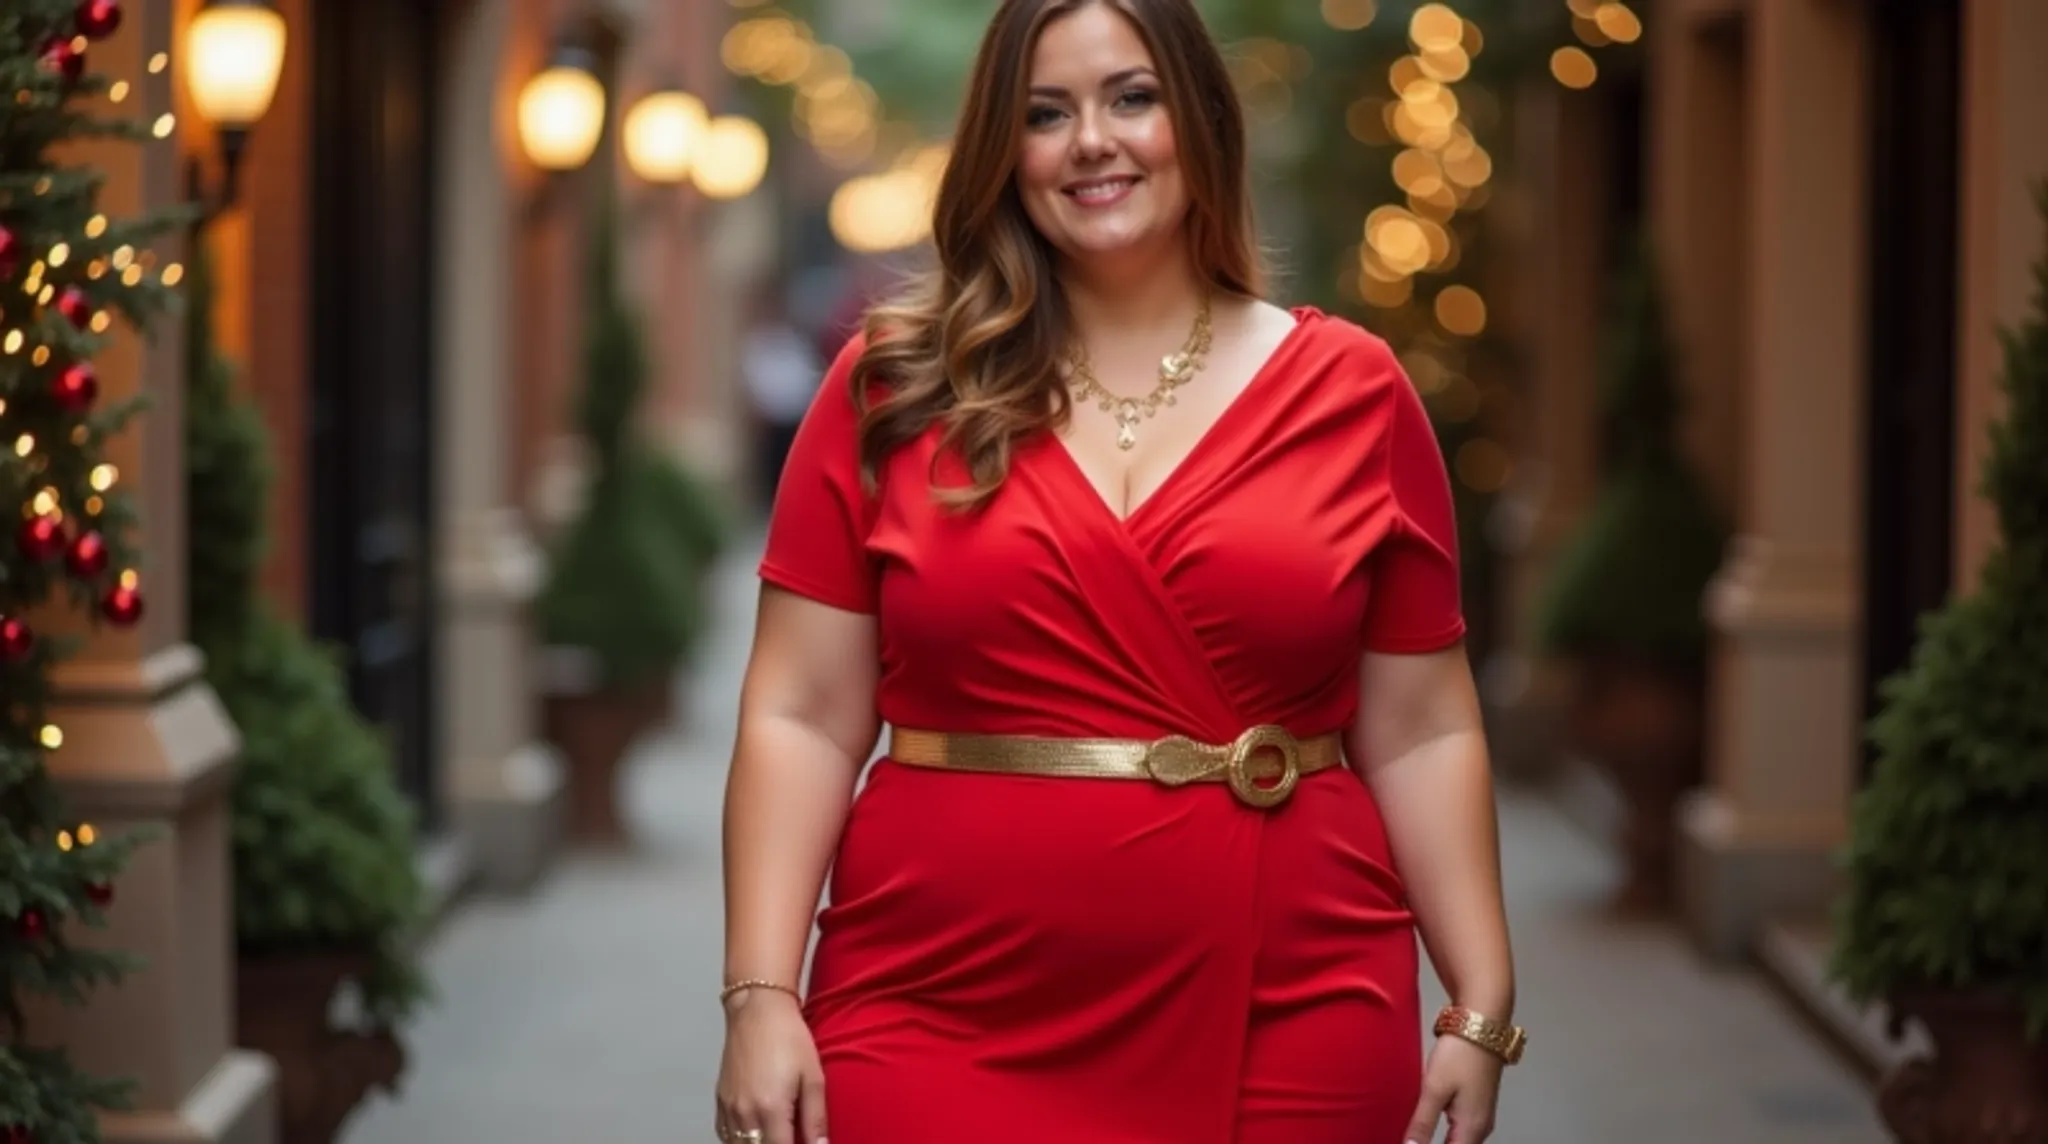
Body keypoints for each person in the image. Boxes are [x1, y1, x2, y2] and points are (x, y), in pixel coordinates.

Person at [716, 2, 1523, 1142]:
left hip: (1289, 1005)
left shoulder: (1354, 390)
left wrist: (1479, 999)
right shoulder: (893, 388)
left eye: (1130, 97)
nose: (1091, 140)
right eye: (1045, 113)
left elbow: (1423, 727)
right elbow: (799, 712)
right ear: (1005, 152)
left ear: (1197, 118)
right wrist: (759, 995)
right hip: (932, 1003)